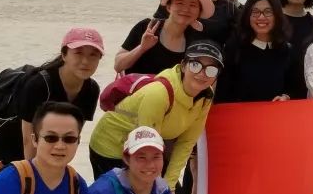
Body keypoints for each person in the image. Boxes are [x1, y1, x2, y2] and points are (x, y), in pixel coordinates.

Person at [89, 40, 221, 186]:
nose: (202, 74)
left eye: (211, 70)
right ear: (183, 65)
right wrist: (158, 190)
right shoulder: (159, 93)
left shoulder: (205, 97)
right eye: (195, 65)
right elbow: (147, 146)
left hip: (148, 149)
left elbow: (186, 143)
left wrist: (170, 184)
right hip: (111, 147)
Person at [0, 28, 104, 170]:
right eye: (78, 53)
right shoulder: (39, 84)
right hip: (9, 144)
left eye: (93, 55)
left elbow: (72, 135)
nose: (85, 61)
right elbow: (28, 140)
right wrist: (33, 174)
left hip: (49, 145)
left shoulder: (91, 89)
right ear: (64, 55)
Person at [114, 0, 213, 75]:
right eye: (180, 3)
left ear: (199, 12)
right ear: (169, 7)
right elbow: (118, 66)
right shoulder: (147, 27)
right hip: (135, 87)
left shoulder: (195, 43)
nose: (186, 9)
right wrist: (142, 48)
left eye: (193, 5)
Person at [217, 0, 298, 103]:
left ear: (277, 15)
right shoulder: (234, 47)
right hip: (240, 112)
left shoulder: (287, 50)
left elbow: (295, 87)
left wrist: (286, 96)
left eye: (268, 12)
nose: (261, 17)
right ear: (247, 15)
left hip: (275, 111)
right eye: (255, 12)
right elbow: (222, 90)